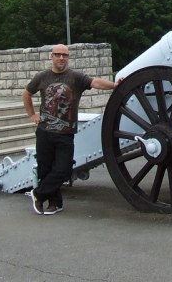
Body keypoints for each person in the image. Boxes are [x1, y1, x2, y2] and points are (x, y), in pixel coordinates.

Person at [22, 44, 121, 215]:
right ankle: (54, 204)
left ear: (68, 58)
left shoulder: (75, 77)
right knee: (45, 169)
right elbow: (26, 93)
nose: (61, 58)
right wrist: (32, 115)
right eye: (58, 55)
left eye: (64, 55)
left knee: (64, 169)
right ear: (51, 56)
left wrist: (114, 85)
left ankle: (38, 194)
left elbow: (95, 82)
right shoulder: (42, 77)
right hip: (45, 131)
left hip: (65, 134)